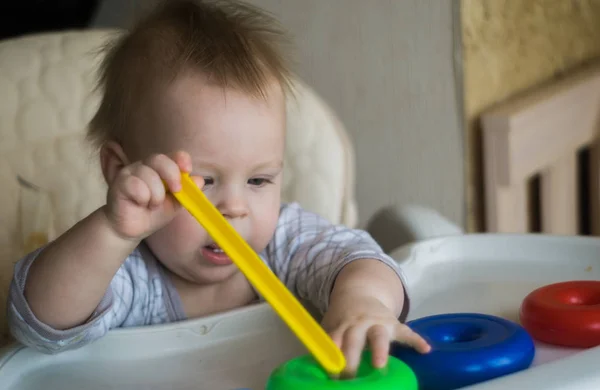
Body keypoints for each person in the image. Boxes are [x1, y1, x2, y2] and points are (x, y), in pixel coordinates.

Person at [7, 0, 430, 377]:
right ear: (123, 170)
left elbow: (358, 259)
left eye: (259, 180)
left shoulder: (286, 243)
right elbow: (40, 323)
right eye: (203, 182)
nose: (233, 207)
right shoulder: (128, 274)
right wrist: (112, 232)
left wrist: (362, 304)